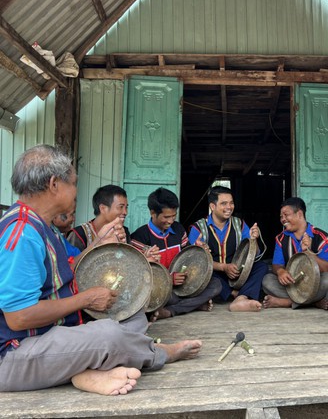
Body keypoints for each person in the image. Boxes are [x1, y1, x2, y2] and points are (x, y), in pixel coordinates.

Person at [0, 145, 202, 395]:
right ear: (54, 184)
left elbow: (69, 268)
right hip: (15, 354)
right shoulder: (22, 234)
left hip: (55, 333)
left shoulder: (45, 227)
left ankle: (82, 371)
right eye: (73, 183)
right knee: (109, 334)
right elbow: (19, 317)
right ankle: (158, 353)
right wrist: (87, 298)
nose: (76, 191)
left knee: (131, 315)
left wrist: (98, 244)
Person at [131, 187, 222, 319]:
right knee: (167, 297)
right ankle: (192, 305)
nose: (170, 221)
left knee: (216, 285)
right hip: (163, 289)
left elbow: (188, 255)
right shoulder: (140, 237)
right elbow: (140, 275)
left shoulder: (178, 229)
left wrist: (199, 249)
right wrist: (169, 279)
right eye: (166, 217)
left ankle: (170, 311)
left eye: (174, 216)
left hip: (184, 285)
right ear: (152, 213)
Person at [189, 186, 268, 312]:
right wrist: (224, 267)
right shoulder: (198, 228)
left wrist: (254, 240)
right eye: (224, 203)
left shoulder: (239, 224)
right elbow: (194, 261)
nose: (229, 207)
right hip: (215, 273)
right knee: (202, 273)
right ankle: (236, 294)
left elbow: (255, 253)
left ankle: (241, 298)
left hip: (237, 272)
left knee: (261, 266)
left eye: (231, 203)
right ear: (212, 206)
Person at [262, 197, 328, 310]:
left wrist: (308, 252)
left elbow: (326, 268)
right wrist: (280, 271)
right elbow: (277, 264)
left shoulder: (321, 237)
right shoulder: (281, 238)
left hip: (316, 284)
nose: (283, 219)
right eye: (281, 217)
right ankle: (315, 303)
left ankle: (286, 302)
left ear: (299, 214)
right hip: (294, 285)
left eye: (286, 215)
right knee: (267, 280)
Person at [67, 184, 130, 251]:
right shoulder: (79, 234)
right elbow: (71, 261)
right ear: (103, 208)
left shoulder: (123, 232)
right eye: (121, 207)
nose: (125, 212)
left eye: (126, 207)